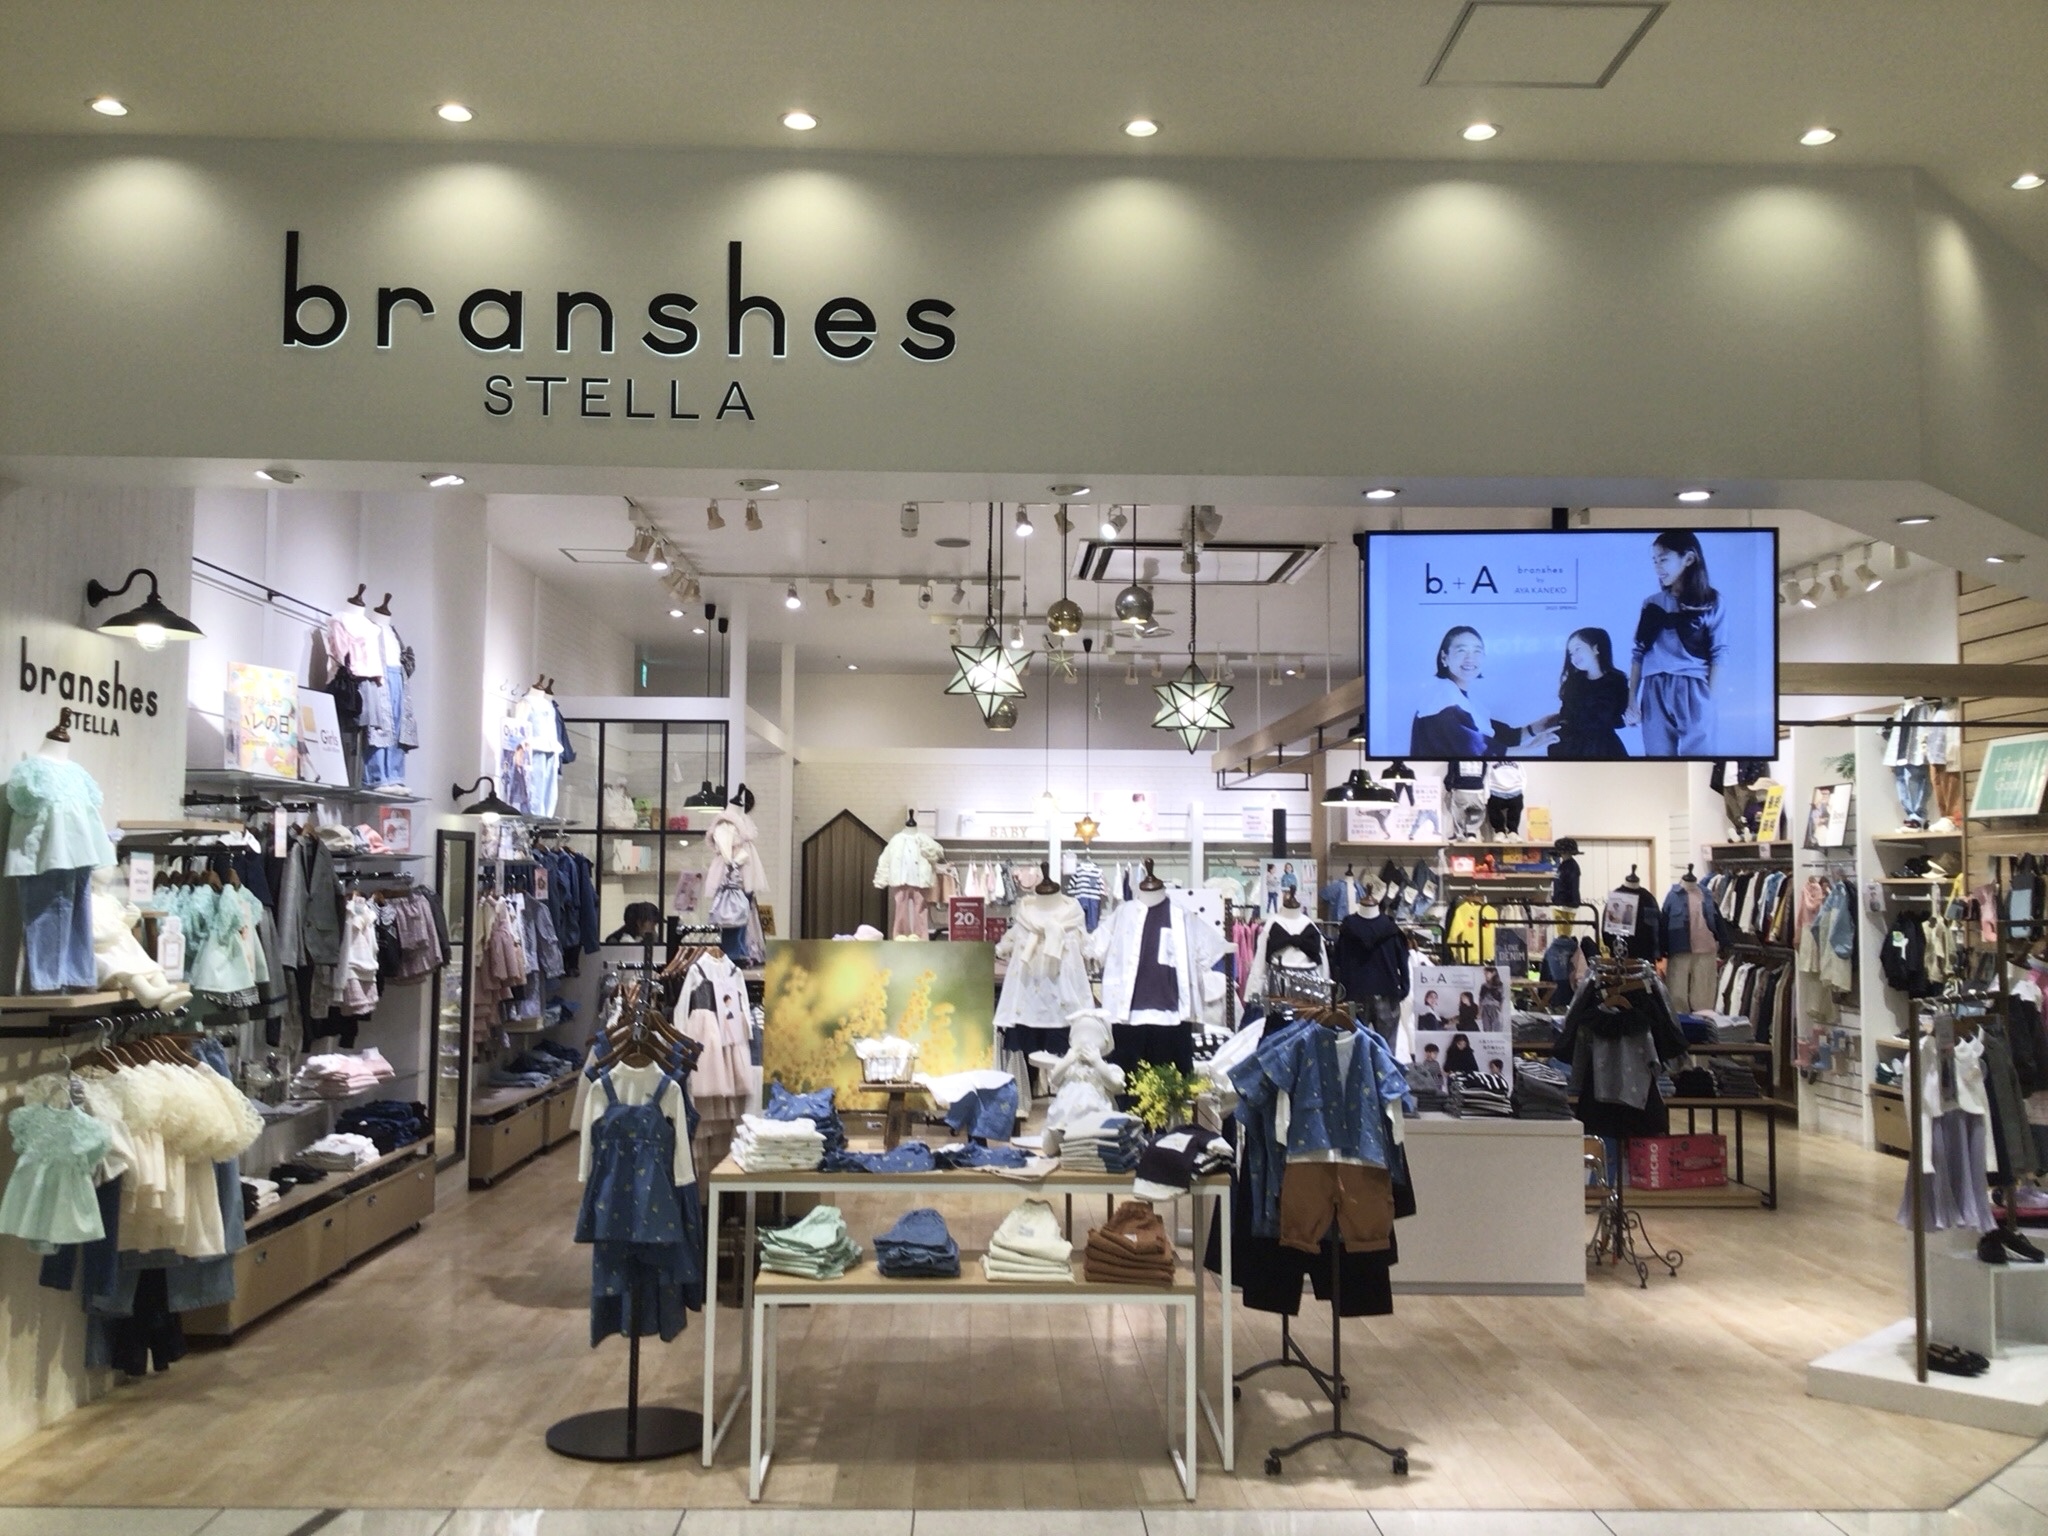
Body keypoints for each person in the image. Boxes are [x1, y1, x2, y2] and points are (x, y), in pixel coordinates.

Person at [1627, 531, 1727, 756]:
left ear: (1688, 559)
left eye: (1663, 559)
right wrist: (1632, 699)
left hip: (1694, 686)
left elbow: (1719, 651)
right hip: (1654, 688)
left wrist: (1710, 699)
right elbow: (1638, 653)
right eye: (1654, 561)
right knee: (1657, 759)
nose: (1657, 567)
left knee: (1702, 758)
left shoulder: (1712, 601)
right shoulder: (1651, 603)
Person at [1410, 626, 1560, 759]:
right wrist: (1530, 749)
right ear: (1444, 657)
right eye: (1461, 651)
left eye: (1477, 651)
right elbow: (1479, 750)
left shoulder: (1463, 699)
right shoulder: (1442, 703)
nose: (1470, 658)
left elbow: (1499, 737)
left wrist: (1536, 727)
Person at [1552, 627, 1631, 759]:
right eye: (1571, 653)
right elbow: (1566, 716)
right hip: (1575, 747)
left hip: (1606, 746)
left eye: (1578, 649)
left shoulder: (1617, 680)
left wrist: (1630, 719)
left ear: (1595, 649)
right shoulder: (1573, 683)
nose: (1574, 657)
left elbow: (1619, 718)